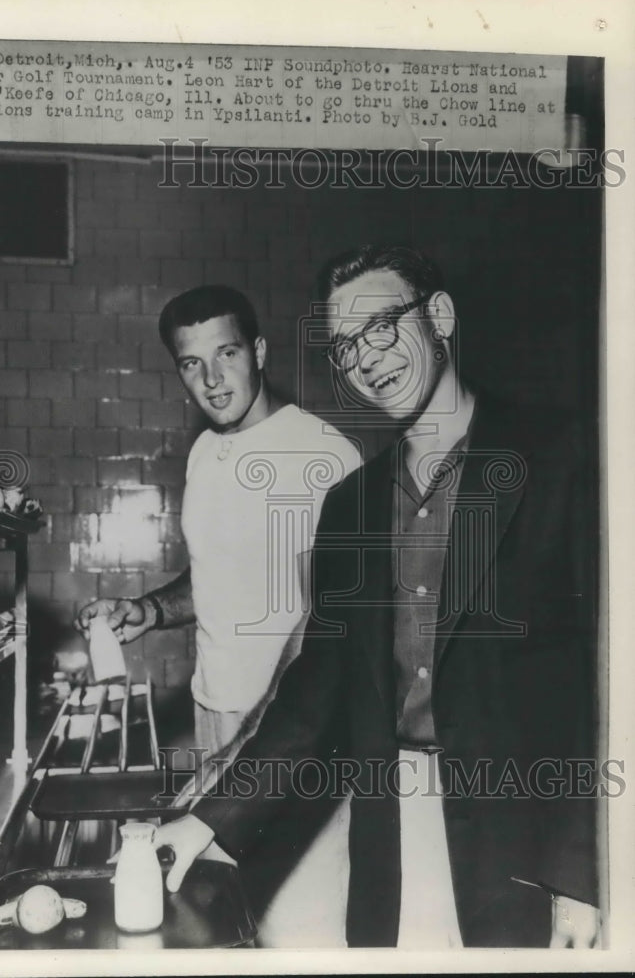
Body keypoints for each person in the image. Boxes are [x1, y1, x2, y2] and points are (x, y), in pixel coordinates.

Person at [153, 245, 601, 949]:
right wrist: (208, 819)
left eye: (383, 326)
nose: (365, 358)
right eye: (345, 344)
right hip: (394, 820)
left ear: (440, 317)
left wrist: (583, 875)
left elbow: (602, 685)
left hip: (529, 837)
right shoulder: (352, 504)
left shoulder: (563, 458)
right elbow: (316, 689)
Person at [76, 284, 361, 945]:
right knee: (227, 918)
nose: (211, 378)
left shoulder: (322, 456)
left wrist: (256, 737)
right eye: (190, 362)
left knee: (299, 927)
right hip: (216, 716)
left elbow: (329, 623)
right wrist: (148, 610)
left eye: (226, 353)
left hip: (291, 737)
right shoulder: (205, 452)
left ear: (258, 351)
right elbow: (213, 577)